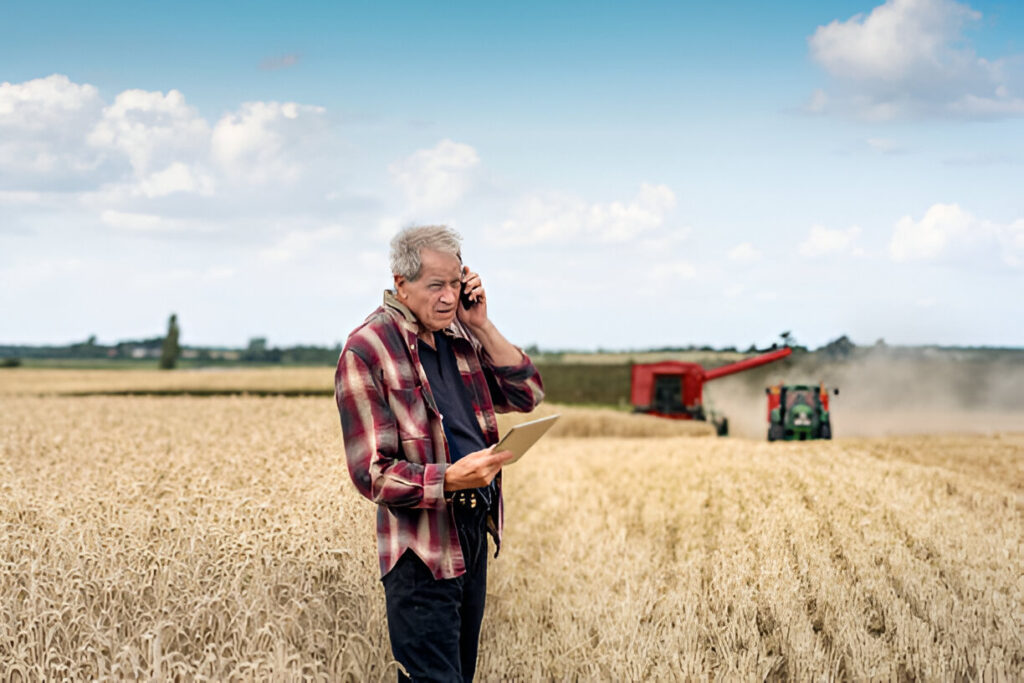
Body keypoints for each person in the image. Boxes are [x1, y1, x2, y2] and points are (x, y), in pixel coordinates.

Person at [334, 225, 544, 682]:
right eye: (436, 286)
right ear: (401, 283)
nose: (449, 297)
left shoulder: (461, 337)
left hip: (472, 530)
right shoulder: (367, 349)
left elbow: (527, 393)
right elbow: (373, 474)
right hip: (421, 549)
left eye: (456, 283)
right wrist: (450, 478)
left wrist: (482, 325)